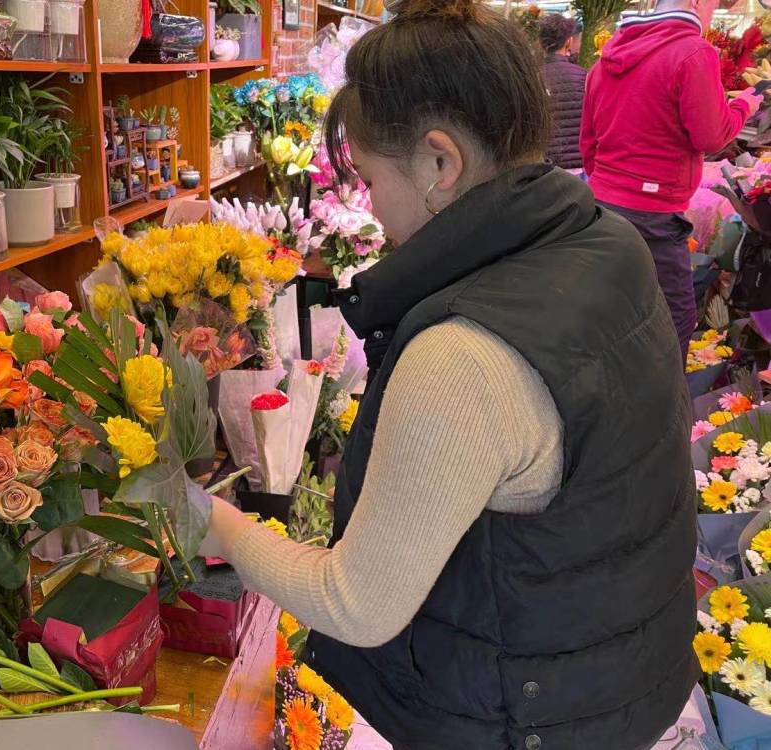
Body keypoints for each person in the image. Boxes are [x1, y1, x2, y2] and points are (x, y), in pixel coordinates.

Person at [200, 0, 697, 747]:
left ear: (440, 163)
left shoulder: (465, 352)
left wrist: (212, 521)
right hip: (611, 679)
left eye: (369, 176)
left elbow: (358, 603)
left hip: (520, 719)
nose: (370, 205)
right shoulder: (606, 240)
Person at [580, 0, 763, 359]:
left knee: (614, 306)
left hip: (603, 204)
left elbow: (589, 141)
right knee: (675, 318)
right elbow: (711, 136)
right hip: (654, 212)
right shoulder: (694, 52)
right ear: (696, 2)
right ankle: (661, 405)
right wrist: (745, 105)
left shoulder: (607, 58)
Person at [539, 14, 587, 170]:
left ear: (541, 43)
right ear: (569, 41)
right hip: (578, 163)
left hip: (544, 165)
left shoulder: (532, 77)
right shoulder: (583, 76)